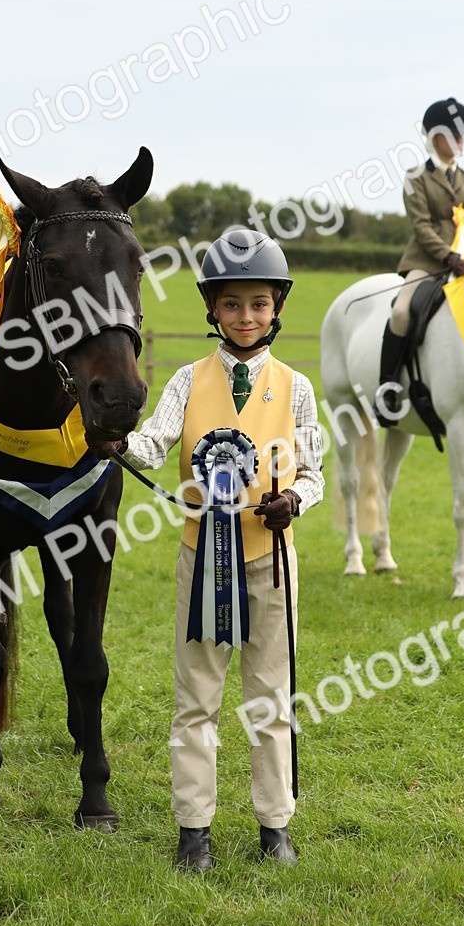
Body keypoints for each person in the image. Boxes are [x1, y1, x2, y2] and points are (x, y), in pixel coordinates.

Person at [120, 229, 324, 871]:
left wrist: (295, 500)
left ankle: (275, 823)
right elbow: (151, 445)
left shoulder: (298, 388)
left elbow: (312, 473)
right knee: (197, 698)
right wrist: (110, 436)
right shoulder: (186, 381)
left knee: (270, 696)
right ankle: (194, 829)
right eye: (232, 305)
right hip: (198, 559)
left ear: (277, 307)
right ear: (212, 309)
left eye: (259, 304)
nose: (246, 317)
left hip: (271, 564)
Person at [374, 98, 464, 426]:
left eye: (462, 135)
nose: (460, 141)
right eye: (453, 134)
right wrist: (448, 255)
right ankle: (387, 387)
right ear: (434, 137)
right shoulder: (416, 177)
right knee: (400, 311)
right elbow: (421, 226)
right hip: (426, 263)